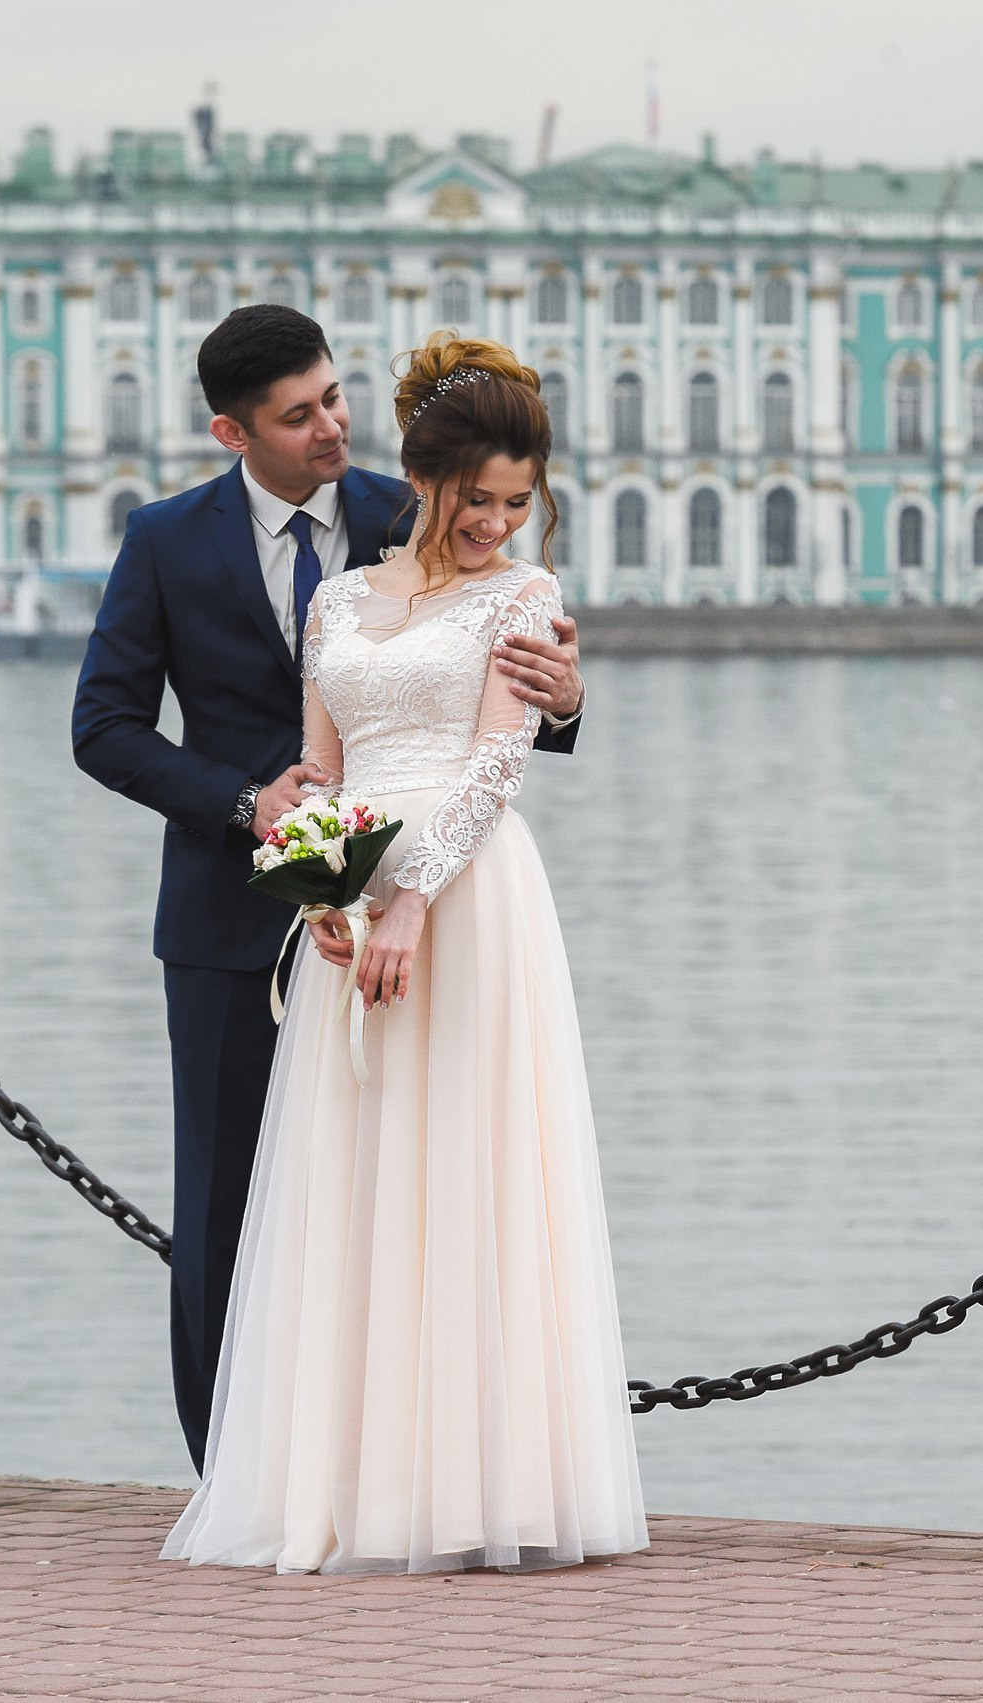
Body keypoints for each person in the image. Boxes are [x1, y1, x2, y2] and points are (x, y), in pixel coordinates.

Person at [70, 306, 586, 1471]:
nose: (330, 427)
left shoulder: (417, 504)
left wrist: (565, 693)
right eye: (299, 415)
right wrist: (244, 802)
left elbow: (491, 700)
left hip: (430, 904)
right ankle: (232, 1473)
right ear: (229, 430)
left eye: (336, 397)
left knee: (405, 1189)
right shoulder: (162, 540)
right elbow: (101, 729)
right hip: (222, 917)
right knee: (216, 1207)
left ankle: (403, 1461)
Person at [162, 334, 646, 1573]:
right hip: (339, 907)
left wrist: (419, 896)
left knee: (474, 1177)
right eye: (474, 499)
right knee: (355, 1182)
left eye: (515, 504)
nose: (492, 520)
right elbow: (315, 767)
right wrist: (315, 883)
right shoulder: (330, 594)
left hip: (470, 904)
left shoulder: (521, 591)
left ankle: (482, 1483)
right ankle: (338, 1479)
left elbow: (500, 757)